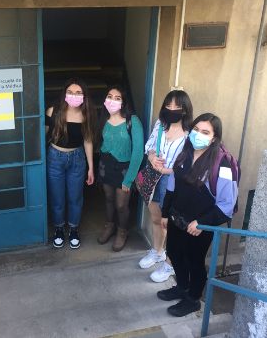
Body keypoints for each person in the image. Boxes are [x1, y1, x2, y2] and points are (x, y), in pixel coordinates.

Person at [157, 113, 238, 317]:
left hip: (199, 226)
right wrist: (165, 213)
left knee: (194, 261)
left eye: (205, 132)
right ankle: (182, 287)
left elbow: (227, 204)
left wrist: (202, 223)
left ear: (214, 137)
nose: (198, 135)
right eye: (196, 130)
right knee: (174, 254)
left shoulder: (223, 163)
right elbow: (172, 187)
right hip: (177, 219)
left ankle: (193, 299)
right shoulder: (185, 152)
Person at [138, 90, 193, 283]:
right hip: (154, 178)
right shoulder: (160, 125)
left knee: (170, 223)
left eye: (177, 107)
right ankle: (157, 251)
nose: (171, 110)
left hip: (174, 182)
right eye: (168, 106)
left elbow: (190, 164)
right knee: (155, 218)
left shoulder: (190, 135)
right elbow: (151, 145)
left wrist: (169, 171)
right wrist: (152, 157)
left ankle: (170, 263)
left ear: (185, 110)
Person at [45, 78, 95, 249]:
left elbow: (88, 140)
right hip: (55, 157)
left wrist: (91, 168)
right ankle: (58, 229)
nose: (74, 96)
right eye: (70, 92)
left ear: (84, 96)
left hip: (77, 158)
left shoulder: (86, 113)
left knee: (75, 197)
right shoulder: (53, 111)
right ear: (64, 94)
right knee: (57, 197)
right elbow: (42, 135)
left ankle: (73, 229)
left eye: (78, 93)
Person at [97, 86, 143, 251]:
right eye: (110, 96)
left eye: (117, 98)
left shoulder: (133, 121)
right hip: (105, 165)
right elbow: (101, 142)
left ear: (123, 102)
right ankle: (109, 226)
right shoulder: (103, 118)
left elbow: (138, 151)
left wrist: (130, 179)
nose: (112, 100)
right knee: (108, 198)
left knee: (121, 204)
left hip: (125, 168)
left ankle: (122, 231)